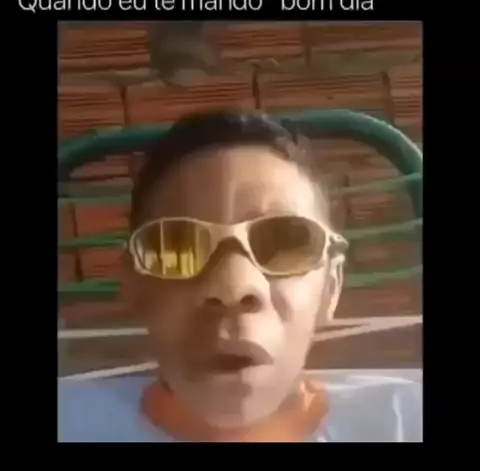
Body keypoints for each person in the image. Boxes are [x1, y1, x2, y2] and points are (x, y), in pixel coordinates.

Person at [58, 110, 422, 442]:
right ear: (134, 287)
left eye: (286, 242)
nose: (233, 287)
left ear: (331, 286)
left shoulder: (406, 420)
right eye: (177, 246)